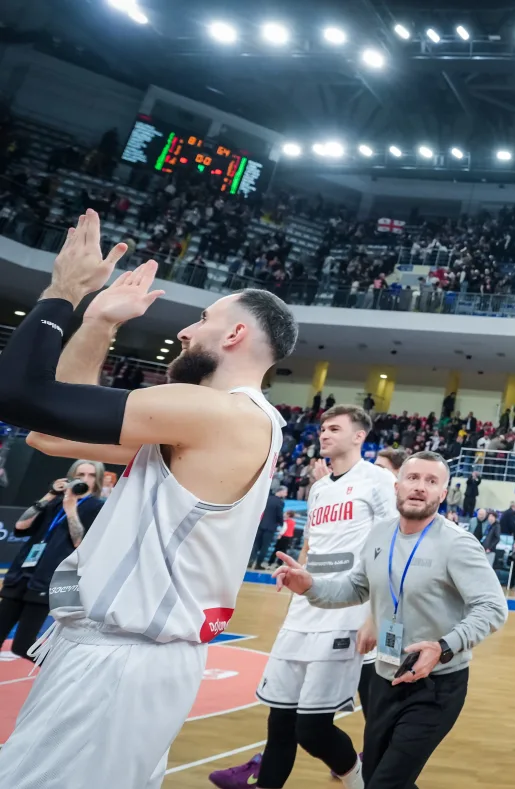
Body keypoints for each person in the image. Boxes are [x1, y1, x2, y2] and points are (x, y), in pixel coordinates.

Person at [0, 209, 295, 788]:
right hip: (120, 654)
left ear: (234, 335)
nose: (185, 331)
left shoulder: (219, 414)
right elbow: (48, 434)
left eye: (203, 319)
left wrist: (65, 292)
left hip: (123, 660)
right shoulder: (208, 424)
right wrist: (98, 322)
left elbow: (18, 396)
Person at [272, 452, 507, 788]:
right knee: (378, 777)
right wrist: (311, 586)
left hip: (436, 686)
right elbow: (356, 587)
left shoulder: (457, 544)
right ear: (397, 486)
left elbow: (492, 607)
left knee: (386, 783)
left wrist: (443, 647)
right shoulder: (380, 534)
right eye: (413, 478)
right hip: (384, 677)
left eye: (431, 481)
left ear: (443, 494)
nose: (420, 487)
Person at [210, 406, 399, 789]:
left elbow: (391, 547)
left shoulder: (378, 480)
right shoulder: (319, 489)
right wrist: (297, 575)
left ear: (359, 436)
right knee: (279, 721)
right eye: (323, 428)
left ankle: (361, 781)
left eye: (335, 428)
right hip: (304, 608)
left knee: (312, 728)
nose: (324, 434)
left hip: (347, 610)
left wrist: (375, 616)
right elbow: (312, 545)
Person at [0, 461, 106, 660]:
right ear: (71, 476)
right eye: (80, 474)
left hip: (48, 580)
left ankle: (62, 670)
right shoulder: (54, 502)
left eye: (91, 475)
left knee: (23, 645)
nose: (85, 479)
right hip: (21, 576)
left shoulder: (97, 507)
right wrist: (50, 494)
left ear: (97, 480)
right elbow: (21, 526)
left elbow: (79, 543)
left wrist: (71, 509)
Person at [252, 487, 287, 570]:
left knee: (256, 545)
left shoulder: (267, 498)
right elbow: (279, 515)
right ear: (281, 491)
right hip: (270, 527)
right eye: (285, 492)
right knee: (265, 546)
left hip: (261, 524)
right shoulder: (280, 502)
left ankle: (250, 562)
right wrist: (282, 523)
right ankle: (258, 564)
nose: (286, 494)